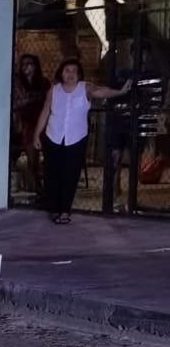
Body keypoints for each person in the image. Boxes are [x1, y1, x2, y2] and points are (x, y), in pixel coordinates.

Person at [32, 58, 131, 224]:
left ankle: (65, 211)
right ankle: (54, 207)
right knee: (52, 174)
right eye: (67, 70)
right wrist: (37, 134)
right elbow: (45, 112)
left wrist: (120, 92)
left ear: (79, 74)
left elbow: (101, 91)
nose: (70, 74)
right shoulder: (54, 90)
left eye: (74, 71)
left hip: (76, 139)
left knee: (70, 175)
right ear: (61, 73)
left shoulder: (85, 88)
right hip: (54, 136)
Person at [11, 54, 50, 193]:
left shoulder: (43, 83)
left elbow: (47, 101)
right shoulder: (17, 83)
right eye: (24, 64)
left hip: (43, 120)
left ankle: (47, 187)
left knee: (48, 157)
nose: (28, 67)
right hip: (26, 123)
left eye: (31, 64)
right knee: (32, 157)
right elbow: (17, 102)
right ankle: (36, 188)